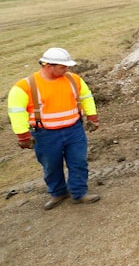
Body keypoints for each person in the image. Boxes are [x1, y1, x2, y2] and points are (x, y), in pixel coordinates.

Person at [7, 47, 100, 210]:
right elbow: (16, 111)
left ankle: (79, 193)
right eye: (63, 67)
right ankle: (58, 193)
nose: (67, 70)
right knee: (51, 166)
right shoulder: (25, 86)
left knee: (78, 162)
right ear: (48, 66)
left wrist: (92, 116)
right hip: (45, 134)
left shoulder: (74, 79)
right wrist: (23, 135)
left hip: (74, 130)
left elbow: (86, 97)